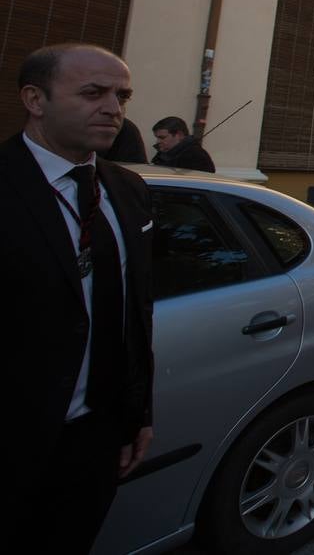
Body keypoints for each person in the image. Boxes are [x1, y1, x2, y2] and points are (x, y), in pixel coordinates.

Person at [3, 44, 154, 550]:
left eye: (122, 95)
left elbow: (137, 312)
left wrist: (137, 414)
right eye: (93, 93)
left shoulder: (129, 190)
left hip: (97, 439)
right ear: (35, 99)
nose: (114, 108)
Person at [150, 115, 215, 172]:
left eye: (162, 137)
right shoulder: (165, 152)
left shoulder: (196, 157)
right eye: (157, 138)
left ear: (179, 135)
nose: (157, 142)